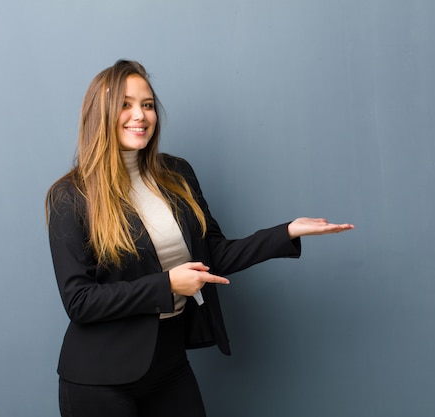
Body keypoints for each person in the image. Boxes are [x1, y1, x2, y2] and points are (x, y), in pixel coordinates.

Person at [46, 59, 354, 417]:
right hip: (99, 379)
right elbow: (80, 301)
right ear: (101, 114)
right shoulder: (70, 196)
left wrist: (286, 232)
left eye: (147, 105)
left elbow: (215, 255)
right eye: (126, 105)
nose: (140, 115)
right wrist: (168, 284)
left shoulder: (177, 173)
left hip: (168, 363)